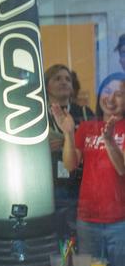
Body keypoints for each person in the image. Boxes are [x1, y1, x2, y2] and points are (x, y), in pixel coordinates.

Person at [52, 72, 125, 266]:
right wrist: (67, 133)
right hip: (87, 219)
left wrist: (109, 140)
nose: (111, 99)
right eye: (107, 92)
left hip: (120, 222)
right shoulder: (87, 127)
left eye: (119, 94)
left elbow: (122, 168)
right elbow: (70, 164)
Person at [45, 64, 95, 241]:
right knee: (56, 243)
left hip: (81, 187)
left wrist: (70, 141)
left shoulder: (85, 113)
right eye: (57, 78)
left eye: (67, 79)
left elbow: (97, 146)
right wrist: (42, 147)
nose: (64, 82)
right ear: (46, 85)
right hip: (49, 188)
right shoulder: (37, 116)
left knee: (81, 242)